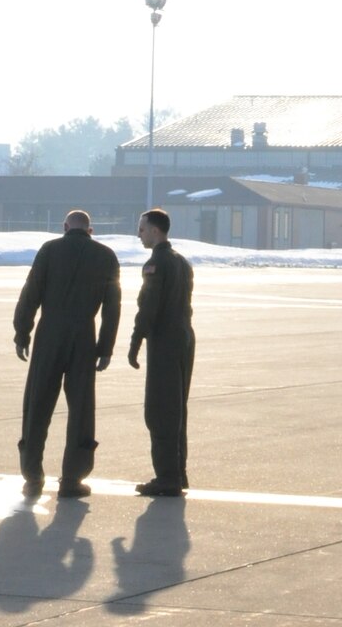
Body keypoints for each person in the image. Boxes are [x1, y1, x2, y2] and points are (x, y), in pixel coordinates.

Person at [13, 208, 121, 498]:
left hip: (49, 335)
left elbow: (31, 292)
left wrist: (22, 332)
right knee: (81, 409)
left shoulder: (49, 250)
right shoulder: (106, 256)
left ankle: (33, 476)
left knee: (37, 405)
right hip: (84, 336)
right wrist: (106, 347)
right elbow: (112, 307)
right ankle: (72, 478)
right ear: (91, 230)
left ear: (64, 227)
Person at [128, 207, 195, 496]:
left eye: (142, 228)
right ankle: (178, 472)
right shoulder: (183, 263)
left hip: (165, 341)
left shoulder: (156, 263)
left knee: (160, 410)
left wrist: (135, 342)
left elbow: (149, 307)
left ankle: (167, 477)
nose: (139, 234)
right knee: (177, 408)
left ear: (155, 231)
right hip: (184, 338)